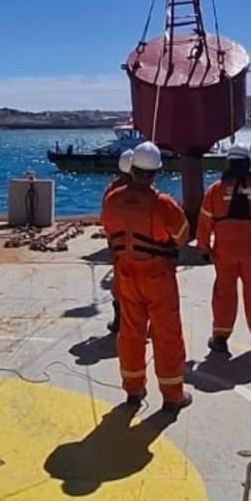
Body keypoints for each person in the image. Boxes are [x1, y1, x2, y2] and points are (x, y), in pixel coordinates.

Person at [100, 141, 193, 413]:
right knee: (166, 334)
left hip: (126, 274)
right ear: (154, 173)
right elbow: (182, 235)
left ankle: (133, 390)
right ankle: (172, 395)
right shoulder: (163, 204)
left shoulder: (112, 199)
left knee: (130, 333)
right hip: (158, 276)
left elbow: (108, 229)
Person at [196, 143, 251, 356]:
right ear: (248, 163)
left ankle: (220, 338)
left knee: (224, 292)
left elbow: (203, 223)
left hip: (224, 252)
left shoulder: (215, 190)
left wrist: (203, 249)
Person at [103, 149, 134, 333]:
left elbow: (105, 218)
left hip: (118, 245)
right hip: (144, 247)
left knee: (120, 281)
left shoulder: (111, 190)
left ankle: (119, 319)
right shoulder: (148, 191)